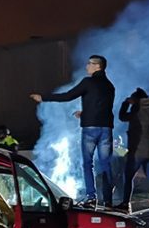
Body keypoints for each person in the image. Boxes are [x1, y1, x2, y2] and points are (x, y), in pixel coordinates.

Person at [30, 55, 116, 207]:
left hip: (90, 129)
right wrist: (84, 112)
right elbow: (101, 107)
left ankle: (91, 197)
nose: (86, 66)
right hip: (106, 128)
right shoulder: (110, 86)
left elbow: (68, 96)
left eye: (89, 63)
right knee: (105, 164)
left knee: (88, 163)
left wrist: (44, 97)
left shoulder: (88, 82)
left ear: (98, 66)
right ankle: (108, 198)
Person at [117, 87, 149, 211]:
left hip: (138, 149)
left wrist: (125, 104)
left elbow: (122, 117)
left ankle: (126, 203)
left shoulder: (137, 111)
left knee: (128, 176)